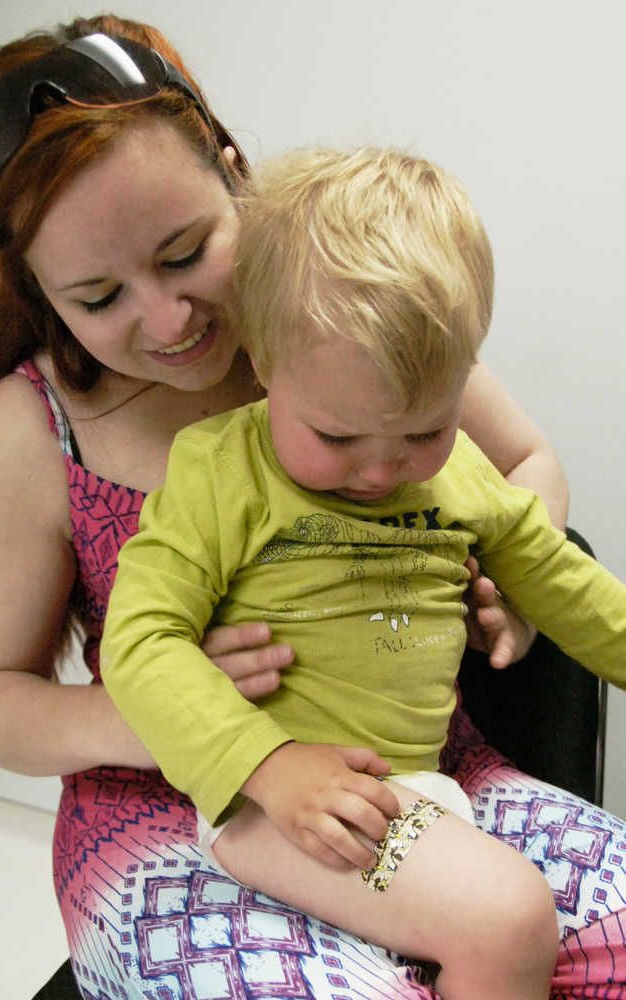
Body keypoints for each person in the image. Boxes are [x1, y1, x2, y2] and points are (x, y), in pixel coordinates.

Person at [0, 12, 623, 999]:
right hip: (180, 810)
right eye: (99, 296)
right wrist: (163, 715)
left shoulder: (345, 326)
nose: (170, 318)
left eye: (185, 253)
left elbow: (523, 473)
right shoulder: (34, 430)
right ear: (40, 288)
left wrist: (509, 586)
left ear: (236, 174)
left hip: (413, 766)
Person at [100, 147, 626, 999]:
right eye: (338, 439)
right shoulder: (218, 471)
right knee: (507, 919)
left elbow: (574, 594)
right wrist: (267, 768)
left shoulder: (459, 477)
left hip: (414, 795)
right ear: (264, 366)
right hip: (265, 802)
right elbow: (138, 641)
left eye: (422, 431)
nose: (382, 472)